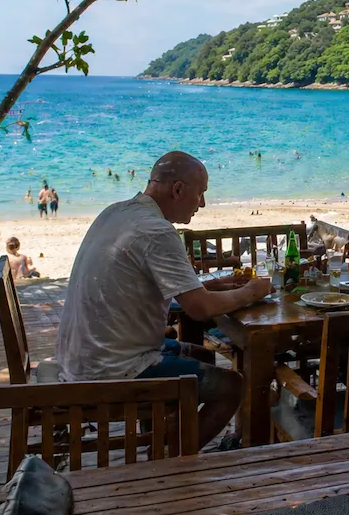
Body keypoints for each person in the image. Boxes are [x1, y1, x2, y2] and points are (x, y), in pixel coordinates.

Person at [56, 151, 272, 448]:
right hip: (112, 371)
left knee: (204, 355)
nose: (203, 204)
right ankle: (172, 462)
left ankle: (165, 437)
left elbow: (168, 288)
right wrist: (252, 292)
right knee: (233, 386)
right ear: (179, 190)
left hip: (84, 355)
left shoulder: (116, 212)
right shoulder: (157, 231)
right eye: (201, 194)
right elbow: (199, 309)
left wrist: (214, 284)